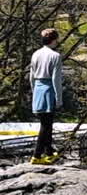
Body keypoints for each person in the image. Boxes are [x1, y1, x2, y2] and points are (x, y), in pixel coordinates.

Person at [30, 27, 63, 164]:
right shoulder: (55, 56)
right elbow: (56, 79)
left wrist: (34, 92)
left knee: (46, 123)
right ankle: (37, 155)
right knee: (46, 125)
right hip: (49, 90)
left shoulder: (35, 54)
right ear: (54, 40)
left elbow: (31, 77)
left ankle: (49, 153)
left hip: (38, 89)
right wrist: (59, 98)